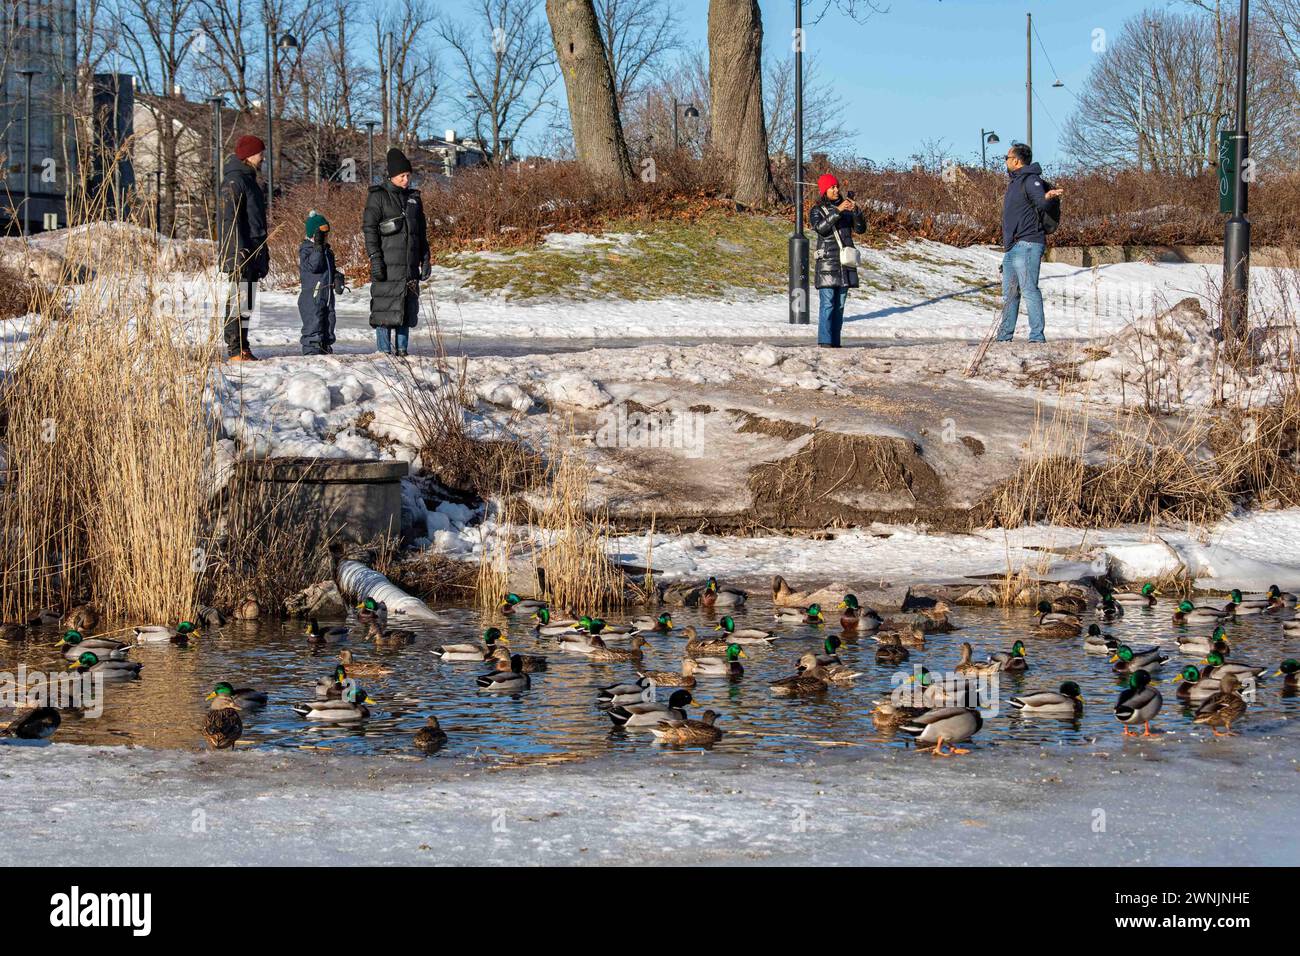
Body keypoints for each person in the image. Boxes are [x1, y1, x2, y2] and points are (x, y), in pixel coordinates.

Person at [363, 147, 430, 356]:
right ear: (392, 175)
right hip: (387, 264)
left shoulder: (414, 199)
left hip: (409, 265)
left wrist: (425, 258)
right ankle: (384, 351)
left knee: (406, 308)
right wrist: (375, 258)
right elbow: (369, 230)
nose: (406, 180)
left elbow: (421, 232)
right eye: (402, 176)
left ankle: (402, 350)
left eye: (408, 175)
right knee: (385, 307)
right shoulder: (378, 197)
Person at [996, 143, 1064, 343]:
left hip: (1027, 243)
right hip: (1012, 247)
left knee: (1028, 289)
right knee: (1010, 294)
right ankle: (1004, 336)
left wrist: (1048, 197)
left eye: (1007, 158)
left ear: (1016, 160)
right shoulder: (1015, 182)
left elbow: (1042, 202)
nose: (1005, 161)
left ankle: (1036, 337)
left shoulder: (1030, 179)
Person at [218, 135, 270, 361]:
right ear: (249, 155)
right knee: (238, 298)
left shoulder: (249, 180)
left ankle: (243, 346)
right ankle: (234, 348)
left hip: (252, 248)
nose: (263, 157)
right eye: (260, 153)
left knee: (247, 299)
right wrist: (238, 252)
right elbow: (229, 220)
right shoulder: (235, 181)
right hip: (241, 250)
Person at [809, 173, 866, 348]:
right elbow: (821, 229)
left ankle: (835, 342)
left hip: (844, 263)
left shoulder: (845, 209)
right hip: (827, 262)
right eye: (832, 187)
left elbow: (860, 229)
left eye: (836, 186)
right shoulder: (817, 210)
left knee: (839, 305)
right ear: (824, 191)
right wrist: (838, 210)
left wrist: (856, 212)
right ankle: (825, 342)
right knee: (828, 304)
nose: (835, 189)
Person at [298, 211, 344, 355]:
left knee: (329, 321)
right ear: (315, 234)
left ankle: (325, 347)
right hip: (313, 296)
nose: (326, 237)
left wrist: (337, 277)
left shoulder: (327, 251)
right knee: (314, 322)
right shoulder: (306, 250)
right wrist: (318, 246)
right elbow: (314, 266)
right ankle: (312, 352)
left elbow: (330, 269)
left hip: (327, 295)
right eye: (323, 234)